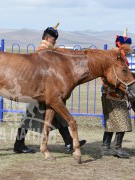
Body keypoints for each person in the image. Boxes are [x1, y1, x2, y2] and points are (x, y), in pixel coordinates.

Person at [13, 23, 86, 154]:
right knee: (29, 117)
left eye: (55, 39)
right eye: (53, 39)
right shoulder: (43, 50)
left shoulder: (49, 50)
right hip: (38, 91)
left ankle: (69, 142)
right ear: (47, 38)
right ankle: (18, 144)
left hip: (45, 91)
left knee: (59, 114)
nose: (55, 41)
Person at [100, 28, 133, 158]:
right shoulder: (115, 58)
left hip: (116, 93)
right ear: (121, 45)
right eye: (127, 46)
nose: (129, 48)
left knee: (112, 121)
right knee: (122, 120)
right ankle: (117, 147)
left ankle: (105, 147)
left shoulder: (120, 57)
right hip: (112, 92)